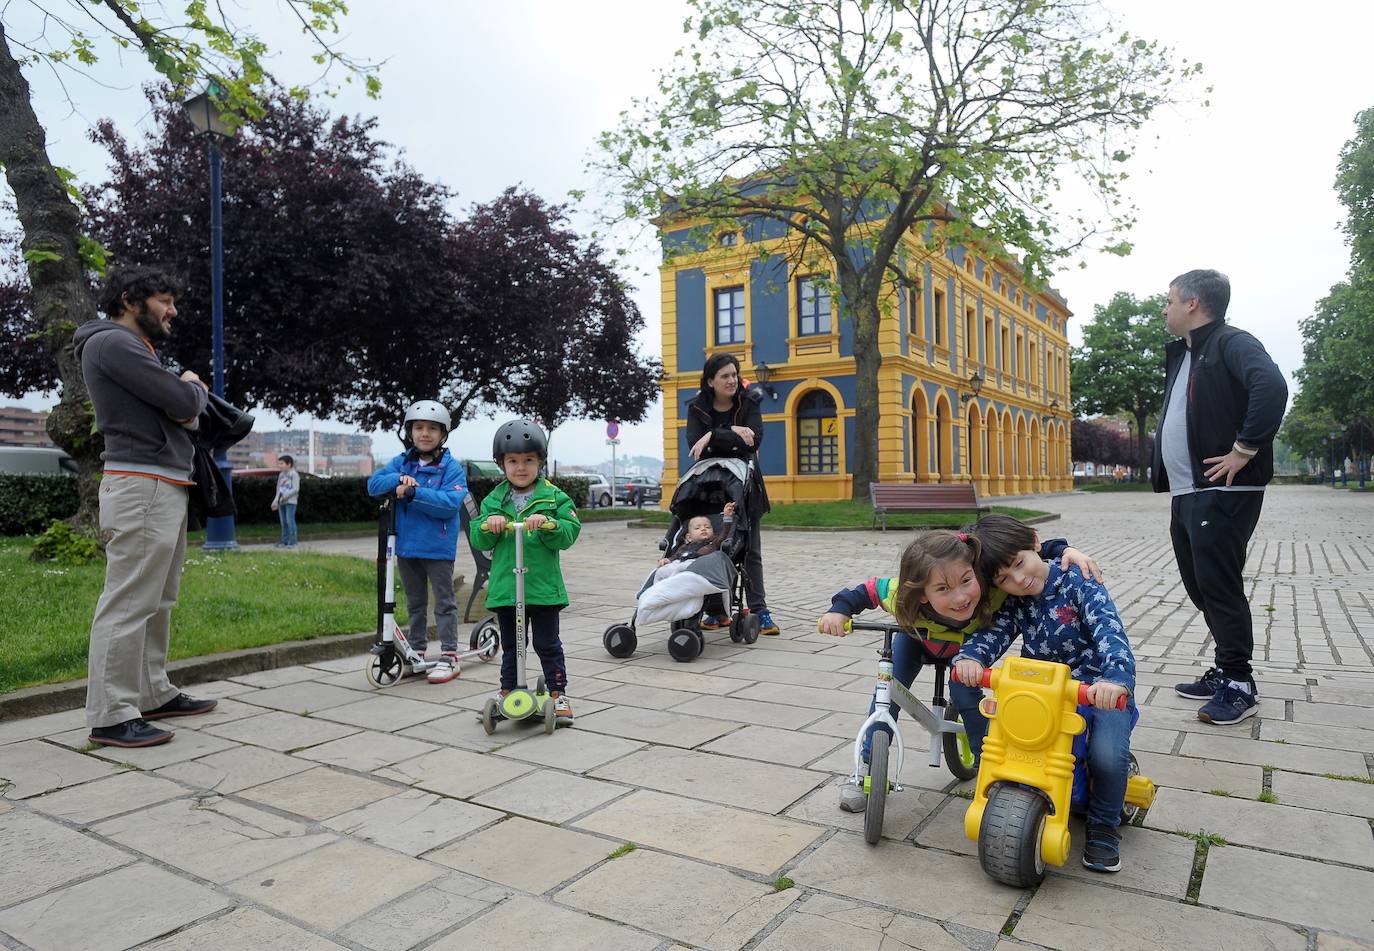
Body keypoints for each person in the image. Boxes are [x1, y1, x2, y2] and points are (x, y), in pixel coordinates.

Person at [818, 527, 1101, 813]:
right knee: (888, 693)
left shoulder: (993, 589)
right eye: (943, 589)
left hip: (968, 654)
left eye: (967, 581)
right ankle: (864, 769)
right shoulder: (903, 596)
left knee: (966, 695)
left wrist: (1063, 550)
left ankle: (988, 763)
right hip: (917, 641)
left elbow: (1019, 553)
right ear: (923, 593)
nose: (961, 597)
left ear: (975, 573)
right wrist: (839, 611)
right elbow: (866, 591)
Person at [73, 266, 218, 748]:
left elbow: (179, 409)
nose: (173, 311)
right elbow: (181, 400)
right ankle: (111, 714)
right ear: (130, 300)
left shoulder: (134, 347)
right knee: (130, 600)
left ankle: (151, 692)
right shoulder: (113, 343)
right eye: (163, 300)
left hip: (160, 482)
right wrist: (193, 386)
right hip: (141, 484)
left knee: (157, 598)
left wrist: (184, 401)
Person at [955, 514, 1136, 874]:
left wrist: (1115, 678)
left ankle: (1103, 826)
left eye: (1020, 564)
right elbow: (996, 631)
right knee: (1015, 742)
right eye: (1004, 579)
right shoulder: (1015, 599)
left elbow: (1108, 629)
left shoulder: (1077, 580)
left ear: (1036, 543)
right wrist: (972, 657)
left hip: (1096, 689)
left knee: (1105, 757)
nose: (1020, 580)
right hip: (1044, 692)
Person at [1155, 269, 1287, 725]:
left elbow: (1271, 386)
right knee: (1200, 585)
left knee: (1220, 584)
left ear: (1192, 303)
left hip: (1224, 490)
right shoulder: (1190, 352)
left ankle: (1238, 682)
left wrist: (1244, 449)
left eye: (1169, 299)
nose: (1164, 307)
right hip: (1190, 490)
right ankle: (1225, 668)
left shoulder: (1231, 342)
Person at [473, 419, 581, 720]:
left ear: (540, 462)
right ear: (502, 464)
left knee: (547, 643)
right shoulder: (495, 501)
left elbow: (569, 531)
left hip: (542, 588)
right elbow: (477, 536)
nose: (521, 467)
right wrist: (488, 524)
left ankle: (558, 694)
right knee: (511, 645)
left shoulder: (554, 497)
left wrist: (550, 524)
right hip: (508, 588)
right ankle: (508, 691)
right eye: (513, 461)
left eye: (529, 460)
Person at [366, 400, 468, 684]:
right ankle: (418, 650)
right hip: (407, 546)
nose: (425, 434)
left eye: (432, 429)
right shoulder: (402, 462)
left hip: (437, 547)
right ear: (410, 432)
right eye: (419, 428)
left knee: (444, 602)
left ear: (443, 434)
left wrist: (413, 492)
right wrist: (398, 479)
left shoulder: (451, 468)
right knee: (415, 603)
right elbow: (373, 485)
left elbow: (449, 503)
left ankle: (450, 654)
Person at [684, 353, 777, 635]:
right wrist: (731, 432)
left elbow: (754, 440)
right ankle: (715, 610)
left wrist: (713, 435)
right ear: (710, 381)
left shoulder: (749, 403)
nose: (731, 380)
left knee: (751, 552)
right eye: (724, 376)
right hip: (709, 491)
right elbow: (695, 445)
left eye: (734, 374)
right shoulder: (697, 407)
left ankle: (759, 611)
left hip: (746, 488)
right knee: (709, 547)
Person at [660, 502, 736, 565]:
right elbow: (675, 557)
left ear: (713, 532)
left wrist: (727, 517)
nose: (703, 529)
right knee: (663, 569)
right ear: (689, 537)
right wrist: (668, 560)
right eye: (697, 528)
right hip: (681, 566)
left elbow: (725, 532)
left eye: (707, 527)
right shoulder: (684, 547)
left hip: (700, 568)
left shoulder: (714, 543)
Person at [271, 454, 300, 548]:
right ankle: (284, 541)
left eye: (282, 463)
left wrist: (285, 496)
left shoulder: (294, 474)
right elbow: (279, 489)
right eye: (279, 463)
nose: (280, 466)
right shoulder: (281, 475)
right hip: (281, 502)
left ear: (289, 464)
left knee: (290, 521)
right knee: (283, 522)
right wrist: (275, 501)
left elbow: (295, 489)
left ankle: (293, 542)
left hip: (291, 502)